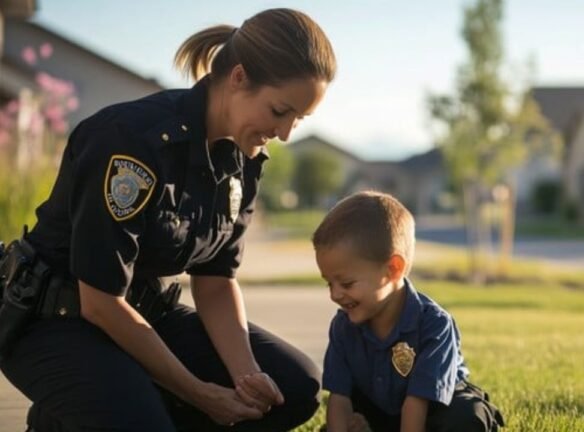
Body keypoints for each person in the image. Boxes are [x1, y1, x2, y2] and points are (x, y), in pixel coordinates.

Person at [0, 8, 336, 431]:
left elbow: (215, 281)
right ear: (238, 78)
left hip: (142, 315)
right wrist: (198, 393)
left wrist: (247, 378)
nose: (285, 133)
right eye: (279, 111)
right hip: (56, 320)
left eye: (297, 120)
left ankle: (95, 408)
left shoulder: (244, 159)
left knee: (293, 387)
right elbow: (101, 301)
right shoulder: (130, 141)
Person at [312, 191, 505, 432]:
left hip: (433, 406)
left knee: (466, 417)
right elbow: (339, 398)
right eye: (329, 283)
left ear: (393, 268)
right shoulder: (343, 327)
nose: (335, 295)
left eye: (347, 284)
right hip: (381, 406)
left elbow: (417, 402)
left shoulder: (434, 324)